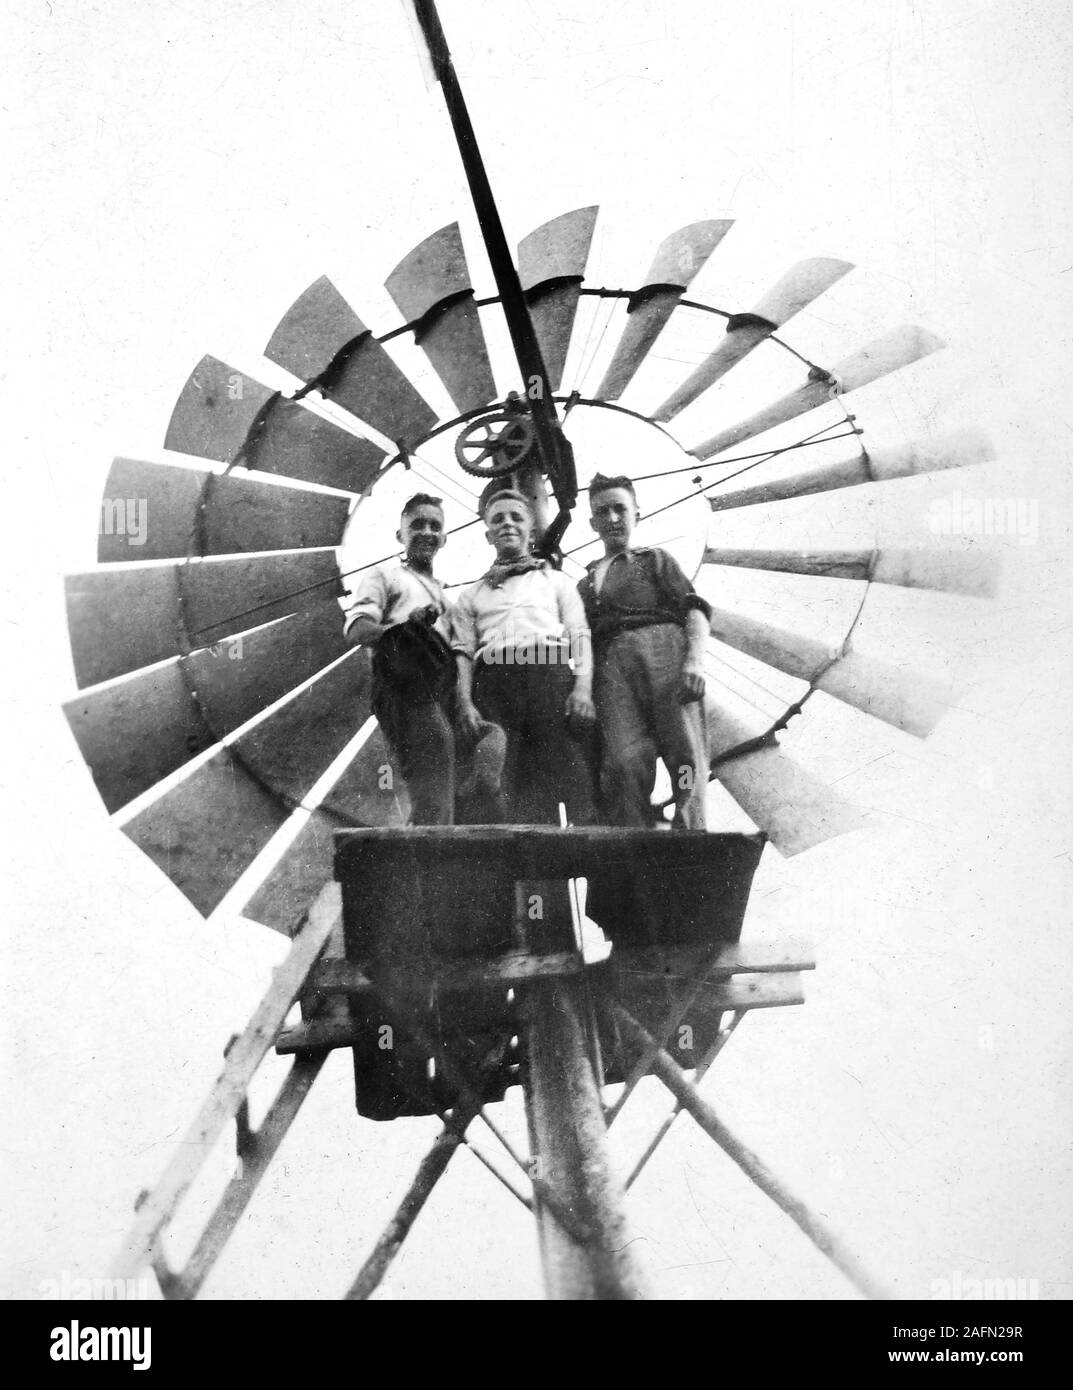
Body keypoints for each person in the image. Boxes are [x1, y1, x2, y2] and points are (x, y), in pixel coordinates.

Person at [452, 489, 596, 826]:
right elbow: (463, 654)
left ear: (531, 530)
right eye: (498, 519)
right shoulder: (470, 596)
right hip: (495, 684)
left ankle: (567, 869)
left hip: (549, 678)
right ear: (488, 533)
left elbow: (579, 635)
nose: (508, 524)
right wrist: (464, 703)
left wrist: (583, 690)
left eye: (516, 517)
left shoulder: (557, 582)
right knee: (503, 778)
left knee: (561, 772)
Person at [578, 473, 711, 829]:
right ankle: (632, 845)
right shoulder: (584, 582)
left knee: (683, 755)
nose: (612, 519)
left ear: (637, 513)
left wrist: (695, 661)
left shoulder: (655, 560)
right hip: (610, 665)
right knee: (622, 761)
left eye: (620, 509)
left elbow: (694, 610)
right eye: (602, 512)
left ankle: (689, 833)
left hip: (663, 650)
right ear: (592, 522)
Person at [342, 493, 457, 825]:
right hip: (404, 684)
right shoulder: (385, 577)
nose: (426, 532)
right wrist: (406, 631)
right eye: (416, 524)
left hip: (438, 688)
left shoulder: (446, 597)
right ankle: (428, 864)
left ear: (444, 538)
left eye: (434, 526)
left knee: (443, 784)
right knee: (433, 779)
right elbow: (358, 630)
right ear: (400, 535)